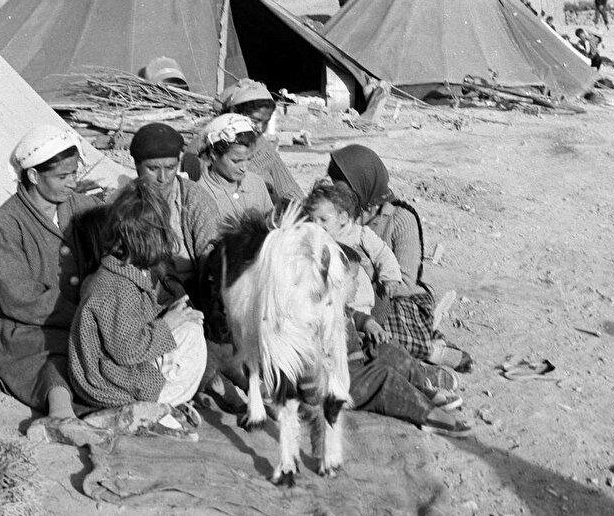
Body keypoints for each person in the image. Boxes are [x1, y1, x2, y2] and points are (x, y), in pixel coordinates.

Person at [0, 124, 100, 425]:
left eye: (75, 173)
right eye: (63, 176)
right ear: (33, 176)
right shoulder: (4, 225)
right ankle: (61, 415)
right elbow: (18, 298)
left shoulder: (84, 207)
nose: (73, 182)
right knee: (52, 358)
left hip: (82, 316)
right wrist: (84, 318)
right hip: (26, 323)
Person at [327, 144, 472, 371]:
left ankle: (433, 352)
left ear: (362, 184)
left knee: (378, 336)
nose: (335, 193)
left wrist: (368, 272)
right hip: (351, 294)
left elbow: (405, 282)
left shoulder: (401, 219)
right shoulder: (337, 217)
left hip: (397, 298)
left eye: (342, 188)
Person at [68, 179, 207, 413]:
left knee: (189, 328)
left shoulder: (119, 273)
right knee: (192, 337)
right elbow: (126, 349)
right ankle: (156, 403)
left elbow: (130, 324)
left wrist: (172, 315)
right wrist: (168, 323)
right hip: (108, 384)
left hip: (109, 373)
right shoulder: (117, 287)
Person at [340, 246, 470, 437]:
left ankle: (420, 388)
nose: (358, 285)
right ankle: (428, 415)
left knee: (386, 349)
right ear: (332, 281)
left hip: (357, 364)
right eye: (352, 279)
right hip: (343, 381)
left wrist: (369, 324)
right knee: (383, 379)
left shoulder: (338, 305)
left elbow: (355, 315)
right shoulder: (316, 316)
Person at [129, 122, 217, 302]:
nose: (163, 178)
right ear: (137, 166)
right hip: (145, 297)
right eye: (153, 169)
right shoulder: (125, 205)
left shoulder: (195, 198)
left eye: (170, 168)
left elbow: (209, 256)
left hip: (197, 293)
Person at [183, 79, 303, 205]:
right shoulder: (200, 151)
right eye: (255, 120)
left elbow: (289, 190)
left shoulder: (262, 146)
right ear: (234, 112)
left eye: (266, 122)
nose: (260, 128)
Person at [196, 113, 274, 230]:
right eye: (236, 161)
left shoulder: (256, 184)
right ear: (214, 155)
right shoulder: (200, 196)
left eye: (248, 159)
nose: (244, 167)